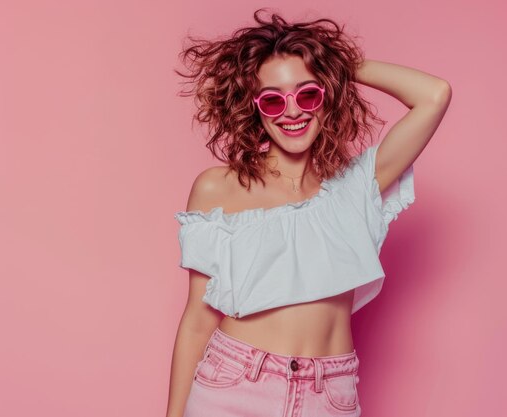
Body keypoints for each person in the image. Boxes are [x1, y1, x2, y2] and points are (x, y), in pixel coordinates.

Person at [166, 8, 451, 417]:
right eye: (273, 99)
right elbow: (198, 316)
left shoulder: (358, 186)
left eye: (307, 94)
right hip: (232, 385)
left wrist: (332, 63)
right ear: (256, 108)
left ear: (326, 96)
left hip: (329, 396)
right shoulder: (218, 187)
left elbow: (434, 94)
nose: (293, 111)